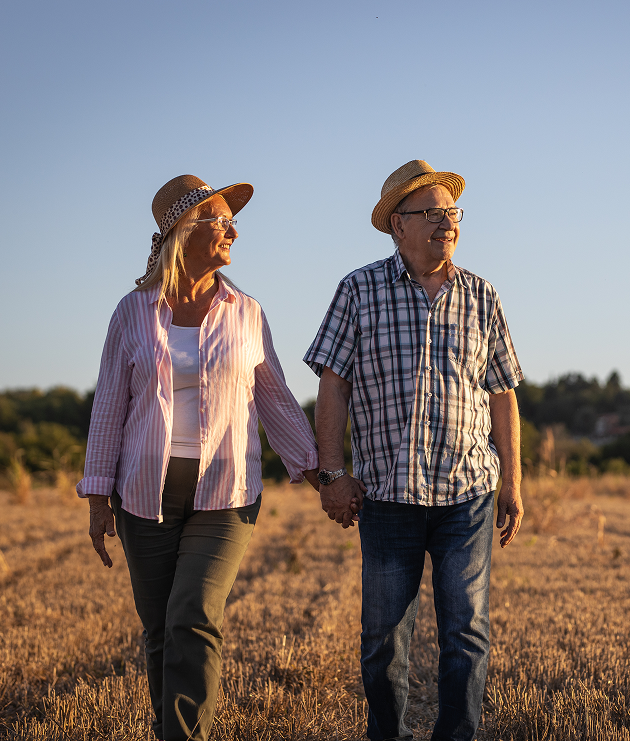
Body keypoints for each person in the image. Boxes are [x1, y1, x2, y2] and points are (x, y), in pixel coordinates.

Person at [77, 174, 320, 741]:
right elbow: (109, 405)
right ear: (183, 232)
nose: (233, 228)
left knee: (194, 614)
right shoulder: (133, 312)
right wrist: (97, 495)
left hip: (227, 492)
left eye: (232, 219)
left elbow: (276, 398)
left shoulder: (246, 311)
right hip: (144, 493)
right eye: (219, 218)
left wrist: (317, 470)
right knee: (161, 628)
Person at [304, 160, 524, 741]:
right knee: (381, 640)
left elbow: (503, 395)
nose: (445, 224)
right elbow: (333, 382)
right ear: (397, 225)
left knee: (466, 634)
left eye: (451, 213)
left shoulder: (483, 296)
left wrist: (513, 484)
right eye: (431, 214)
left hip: (467, 492)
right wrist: (332, 473)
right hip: (387, 494)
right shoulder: (358, 289)